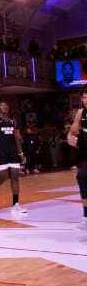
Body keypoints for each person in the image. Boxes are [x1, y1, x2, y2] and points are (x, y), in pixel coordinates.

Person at [0, 101, 28, 215]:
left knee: (15, 177)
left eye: (5, 105)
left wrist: (21, 153)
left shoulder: (13, 120)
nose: (4, 107)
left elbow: (17, 137)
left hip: (13, 151)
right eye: (1, 105)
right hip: (1, 151)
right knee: (3, 176)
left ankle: (15, 204)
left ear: (8, 108)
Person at [68, 91, 87, 230]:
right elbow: (73, 131)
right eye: (84, 97)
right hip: (84, 153)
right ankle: (86, 216)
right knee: (82, 178)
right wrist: (77, 117)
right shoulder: (81, 113)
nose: (85, 99)